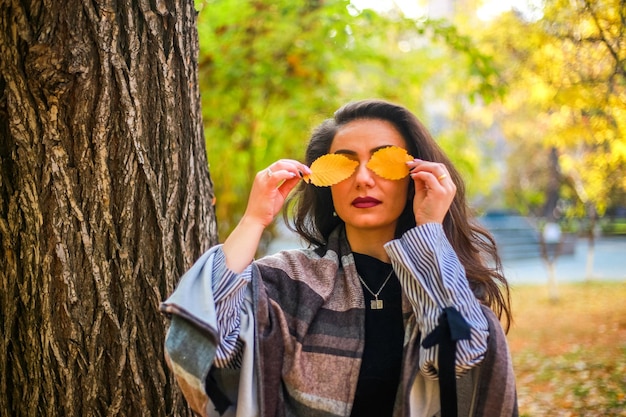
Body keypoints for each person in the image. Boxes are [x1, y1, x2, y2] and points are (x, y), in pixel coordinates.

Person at [161, 99, 518, 417]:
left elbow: (468, 361)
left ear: (414, 175)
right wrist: (255, 219)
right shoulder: (285, 282)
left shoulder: (445, 282)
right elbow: (193, 344)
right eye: (345, 165)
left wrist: (430, 231)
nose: (363, 179)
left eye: (384, 162)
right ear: (326, 181)